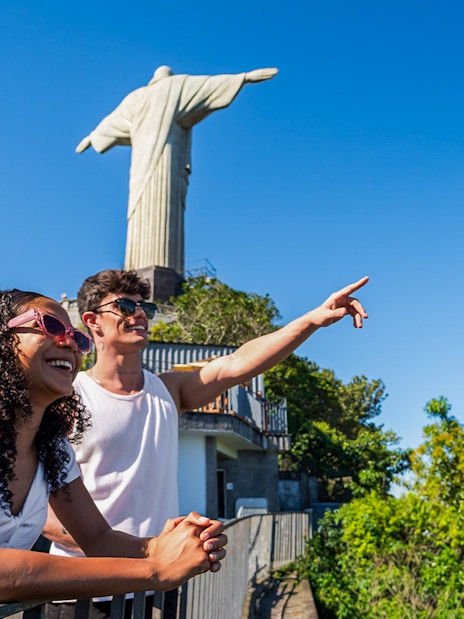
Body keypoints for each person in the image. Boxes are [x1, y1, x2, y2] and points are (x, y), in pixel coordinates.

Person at [0, 288, 227, 604]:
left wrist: (161, 546)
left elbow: (98, 538)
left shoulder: (53, 450)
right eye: (51, 326)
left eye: (77, 338)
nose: (68, 343)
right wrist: (155, 570)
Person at [75, 66, 278, 274]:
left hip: (154, 163)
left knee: (155, 207)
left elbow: (111, 122)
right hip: (160, 161)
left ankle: (147, 270)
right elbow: (207, 86)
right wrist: (243, 78)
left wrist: (91, 137)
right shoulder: (176, 85)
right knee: (147, 207)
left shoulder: (136, 98)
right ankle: (147, 272)